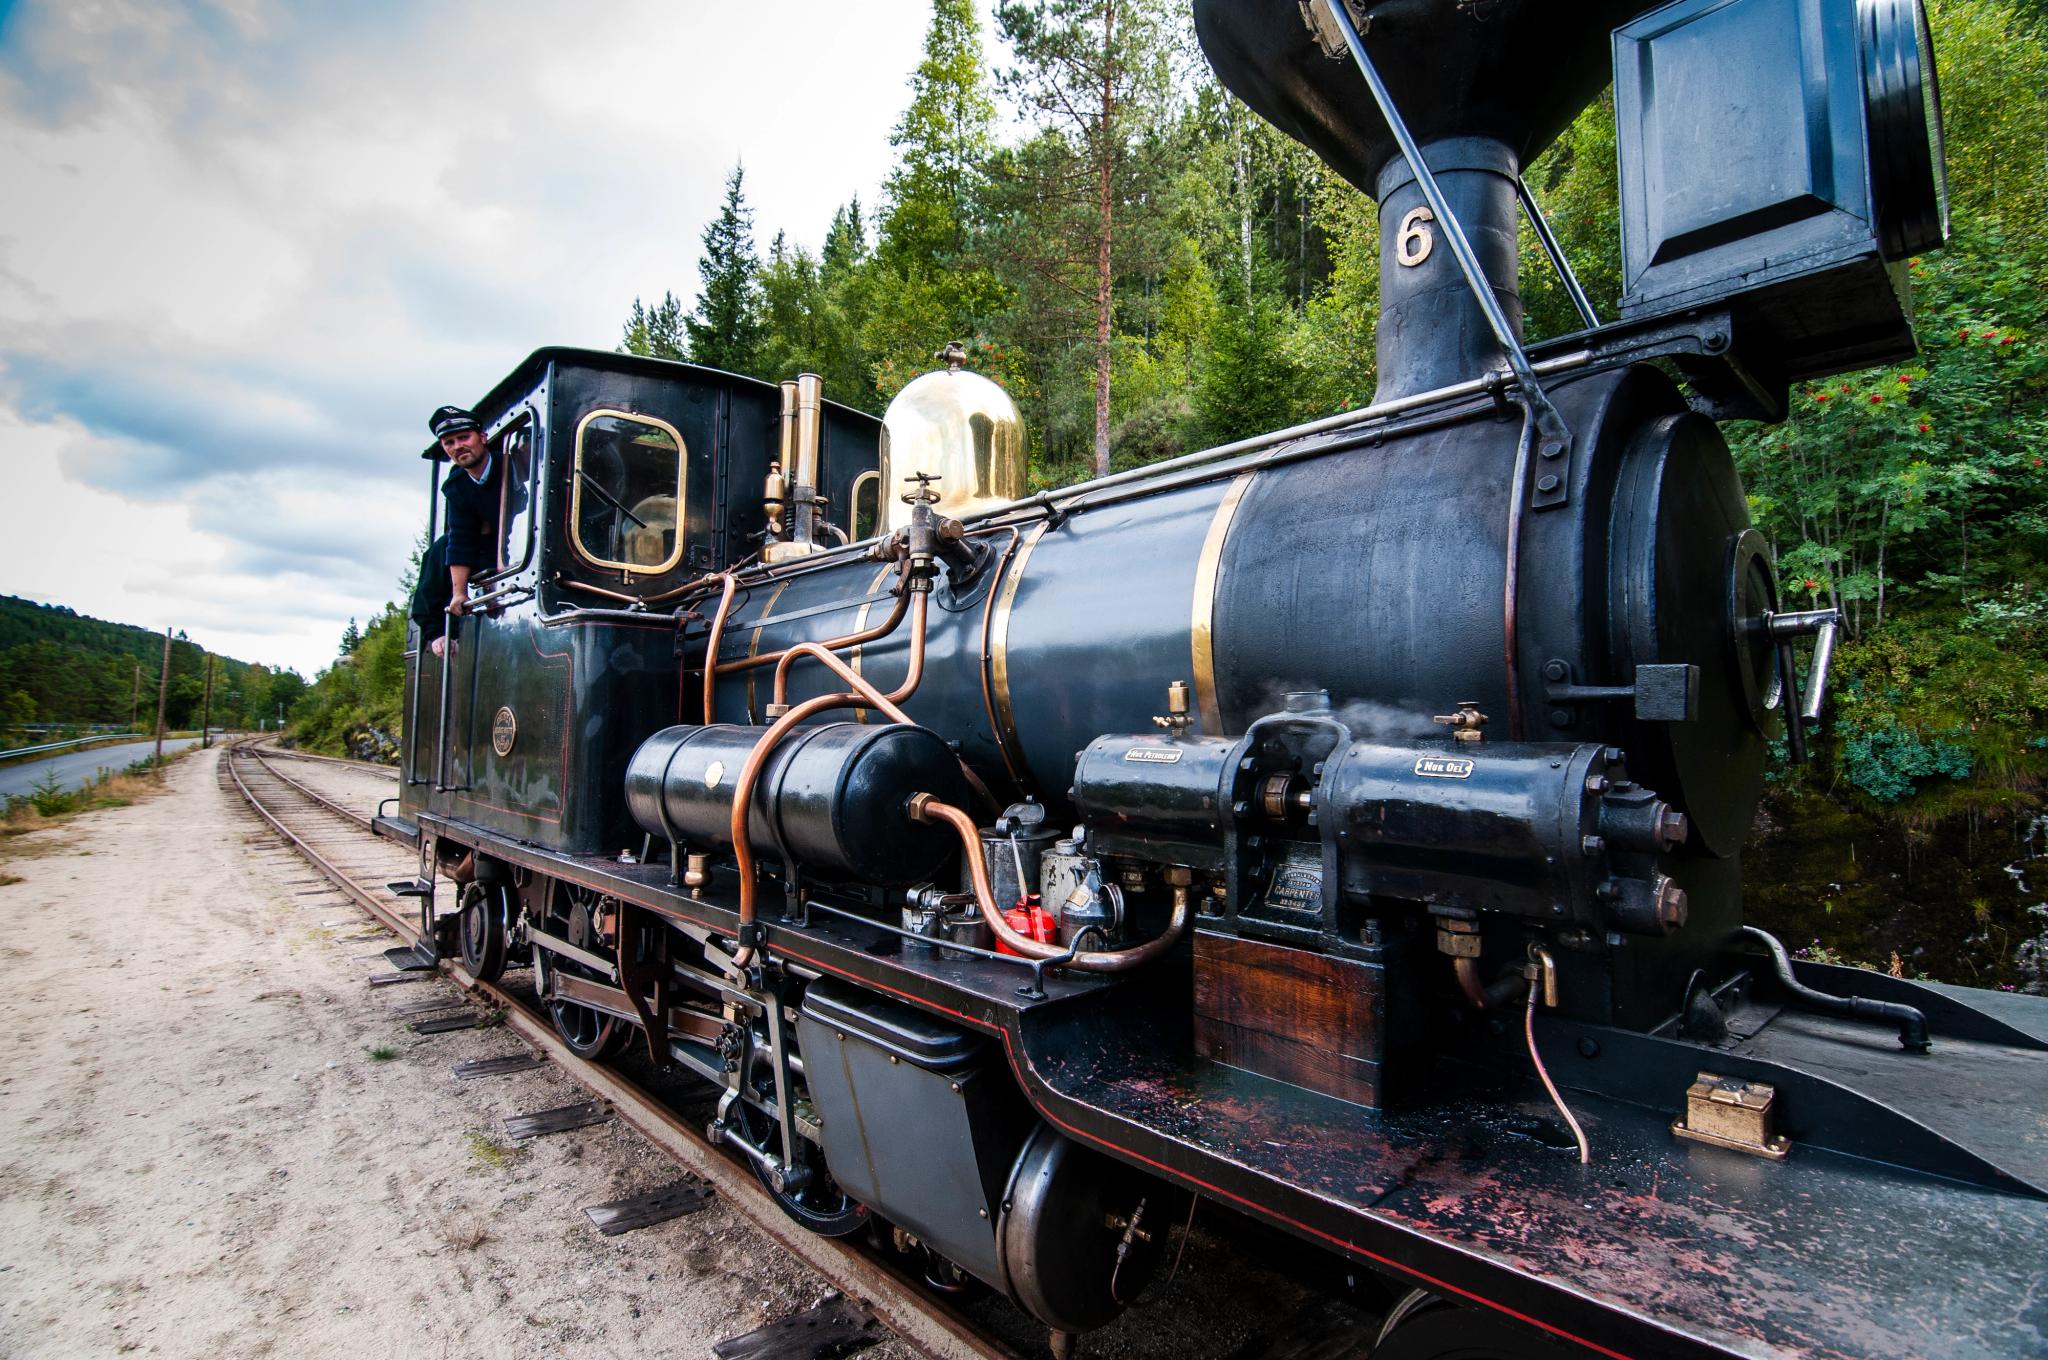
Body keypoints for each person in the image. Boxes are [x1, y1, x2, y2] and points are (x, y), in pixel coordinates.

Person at [409, 404, 503, 658]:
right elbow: (462, 538)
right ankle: (436, 631)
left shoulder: (511, 465)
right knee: (440, 549)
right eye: (449, 442)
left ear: (482, 437)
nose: (458, 446)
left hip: (517, 542)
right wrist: (459, 593)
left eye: (464, 437)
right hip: (487, 549)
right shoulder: (457, 485)